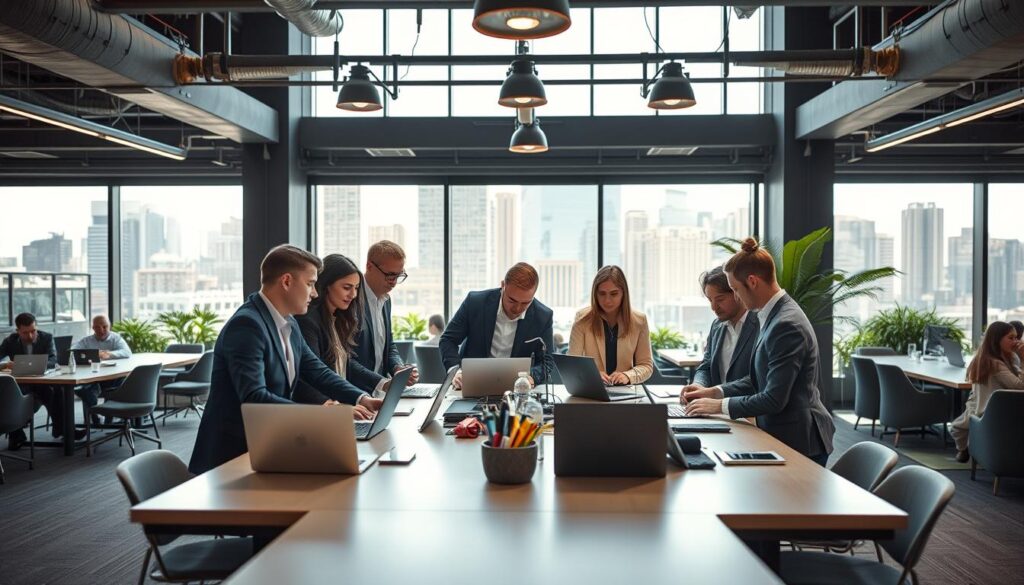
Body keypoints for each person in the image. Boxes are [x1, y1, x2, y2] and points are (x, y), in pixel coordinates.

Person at [188, 245, 384, 475]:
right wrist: (327, 415)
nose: (315, 293)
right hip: (231, 458)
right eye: (310, 284)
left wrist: (362, 398)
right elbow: (254, 397)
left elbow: (317, 371)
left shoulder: (289, 322)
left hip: (267, 449)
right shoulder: (247, 325)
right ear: (287, 281)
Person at [681, 238, 835, 466]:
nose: (736, 296)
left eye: (735, 289)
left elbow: (773, 399)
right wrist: (713, 392)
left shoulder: (786, 324)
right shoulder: (773, 314)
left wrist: (719, 406)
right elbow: (757, 379)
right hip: (781, 434)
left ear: (752, 282)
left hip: (800, 441)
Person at [440, 262, 555, 390]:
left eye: (525, 303)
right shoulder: (475, 303)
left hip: (516, 389)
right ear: (503, 285)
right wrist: (456, 371)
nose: (517, 308)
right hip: (469, 383)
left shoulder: (543, 316)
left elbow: (547, 362)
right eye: (512, 300)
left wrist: (531, 377)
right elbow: (448, 340)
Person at [293, 254, 386, 402]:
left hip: (339, 405)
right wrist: (335, 406)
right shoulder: (308, 320)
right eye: (347, 287)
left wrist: (383, 383)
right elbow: (313, 375)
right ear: (326, 285)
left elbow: (344, 361)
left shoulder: (337, 318)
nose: (353, 294)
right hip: (322, 409)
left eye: (356, 288)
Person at [950, 321, 1024, 463]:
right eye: (1011, 338)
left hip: (985, 409)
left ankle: (964, 449)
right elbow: (1021, 387)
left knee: (961, 422)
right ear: (997, 340)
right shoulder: (995, 364)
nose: (1016, 341)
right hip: (1001, 414)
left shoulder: (986, 358)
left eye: (1016, 337)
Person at [568, 265, 653, 385]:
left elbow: (646, 366)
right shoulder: (582, 319)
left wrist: (627, 376)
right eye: (602, 294)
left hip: (626, 390)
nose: (607, 300)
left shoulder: (639, 321)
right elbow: (572, 364)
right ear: (595, 294)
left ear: (623, 293)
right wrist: (592, 374)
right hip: (593, 388)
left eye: (614, 294)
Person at [0, 313, 75, 448]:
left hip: (42, 382)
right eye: (25, 333)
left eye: (33, 331)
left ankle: (62, 429)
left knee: (56, 391)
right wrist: (6, 364)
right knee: (10, 394)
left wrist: (37, 365)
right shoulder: (10, 341)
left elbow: (53, 360)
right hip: (21, 383)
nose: (30, 336)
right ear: (17, 331)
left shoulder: (46, 338)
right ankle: (16, 435)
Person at [353, 240, 419, 393]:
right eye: (390, 275)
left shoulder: (386, 300)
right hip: (357, 394)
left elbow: (388, 346)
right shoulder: (351, 298)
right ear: (369, 266)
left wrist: (398, 368)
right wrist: (382, 383)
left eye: (399, 275)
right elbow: (346, 358)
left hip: (380, 393)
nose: (394, 282)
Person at [692, 266, 758, 388]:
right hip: (714, 400)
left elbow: (757, 378)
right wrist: (698, 384)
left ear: (737, 292)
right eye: (710, 300)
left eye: (720, 299)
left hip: (745, 400)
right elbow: (706, 365)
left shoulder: (760, 324)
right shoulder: (716, 326)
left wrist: (716, 392)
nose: (713, 307)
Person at [71, 315, 133, 422]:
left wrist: (109, 354)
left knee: (120, 383)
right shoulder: (86, 341)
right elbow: (72, 352)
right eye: (97, 327)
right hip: (92, 377)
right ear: (93, 328)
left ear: (109, 326)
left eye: (105, 326)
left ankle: (106, 416)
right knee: (82, 389)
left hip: (112, 378)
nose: (101, 330)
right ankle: (94, 415)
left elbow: (127, 352)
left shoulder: (116, 338)